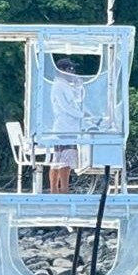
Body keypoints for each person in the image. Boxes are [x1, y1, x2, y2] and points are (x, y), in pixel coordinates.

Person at [50, 57, 85, 193]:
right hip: (64, 127)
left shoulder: (64, 85)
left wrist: (78, 85)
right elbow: (66, 107)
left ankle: (59, 190)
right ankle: (61, 190)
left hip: (68, 126)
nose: (74, 72)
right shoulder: (58, 85)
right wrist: (81, 115)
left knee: (59, 158)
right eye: (71, 69)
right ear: (63, 71)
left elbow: (78, 98)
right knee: (64, 159)